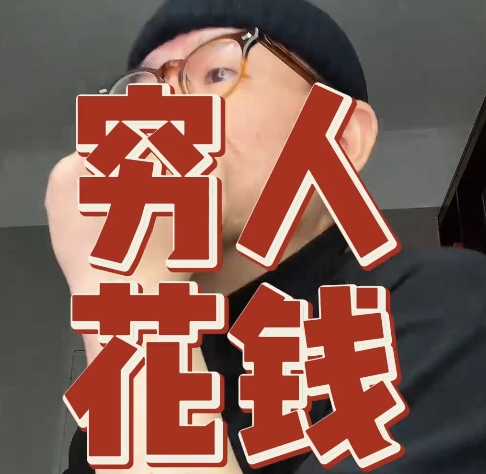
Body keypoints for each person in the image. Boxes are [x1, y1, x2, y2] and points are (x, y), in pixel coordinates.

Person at [45, 0, 486, 473]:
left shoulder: (450, 304)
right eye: (142, 95)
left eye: (216, 73)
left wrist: (134, 298)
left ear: (341, 139)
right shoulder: (109, 420)